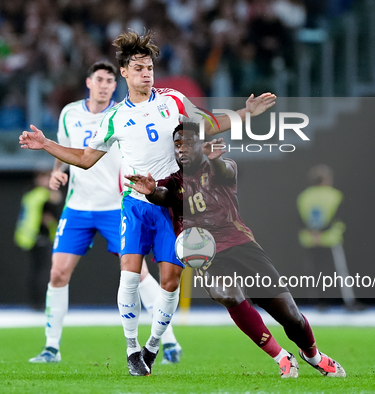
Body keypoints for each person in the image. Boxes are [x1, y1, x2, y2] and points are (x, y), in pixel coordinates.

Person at [19, 29, 276, 376]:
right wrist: (47, 144)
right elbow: (84, 158)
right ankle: (130, 349)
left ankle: (153, 345)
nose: (146, 73)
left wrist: (245, 113)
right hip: (135, 203)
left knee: (169, 280)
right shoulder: (114, 119)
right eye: (138, 68)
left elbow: (209, 123)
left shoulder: (173, 100)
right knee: (130, 276)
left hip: (172, 203)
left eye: (150, 67)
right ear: (124, 72)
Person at [125, 122, 346, 378]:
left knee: (291, 316)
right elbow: (163, 195)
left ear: (201, 145)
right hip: (206, 252)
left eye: (188, 143)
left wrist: (215, 160)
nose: (181, 149)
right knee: (227, 294)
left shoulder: (221, 167)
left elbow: (226, 171)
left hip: (241, 245)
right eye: (177, 145)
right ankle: (281, 357)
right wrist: (151, 191)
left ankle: (314, 356)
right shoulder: (173, 181)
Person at [28, 61, 182, 364]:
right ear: (89, 82)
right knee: (57, 273)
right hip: (78, 206)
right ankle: (51, 347)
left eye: (109, 81)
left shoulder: (124, 116)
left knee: (139, 276)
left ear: (116, 84)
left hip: (115, 205)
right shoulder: (70, 113)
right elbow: (68, 146)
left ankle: (169, 342)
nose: (104, 85)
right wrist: (57, 172)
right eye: (99, 80)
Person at [297, 164, 363, 311]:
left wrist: (313, 233)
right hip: (330, 239)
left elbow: (299, 219)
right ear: (327, 179)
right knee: (340, 272)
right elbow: (339, 217)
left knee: (315, 273)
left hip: (310, 240)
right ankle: (349, 302)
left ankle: (319, 303)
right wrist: (323, 233)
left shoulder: (304, 197)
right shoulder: (335, 195)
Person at [14, 169, 62, 310]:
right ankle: (39, 303)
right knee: (40, 272)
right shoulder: (40, 195)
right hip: (37, 237)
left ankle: (40, 303)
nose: (46, 181)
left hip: (40, 237)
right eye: (44, 178)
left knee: (40, 271)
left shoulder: (34, 195)